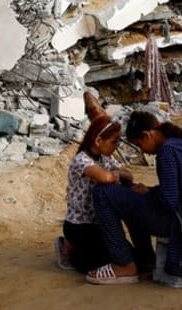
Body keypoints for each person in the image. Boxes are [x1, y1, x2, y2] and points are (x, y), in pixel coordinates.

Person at [86, 110, 182, 285]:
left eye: (139, 144)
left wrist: (148, 195)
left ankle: (124, 264)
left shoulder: (166, 152)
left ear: (147, 135)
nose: (143, 151)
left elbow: (168, 202)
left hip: (176, 224)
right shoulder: (179, 144)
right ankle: (146, 259)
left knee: (102, 193)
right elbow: (178, 190)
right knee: (130, 190)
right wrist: (147, 191)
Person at [56, 114, 133, 273]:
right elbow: (105, 177)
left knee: (124, 253)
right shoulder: (81, 160)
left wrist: (118, 174)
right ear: (98, 141)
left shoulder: (105, 158)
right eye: (114, 142)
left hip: (98, 222)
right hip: (79, 225)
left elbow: (128, 175)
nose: (116, 147)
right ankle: (68, 248)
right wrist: (115, 175)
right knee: (97, 263)